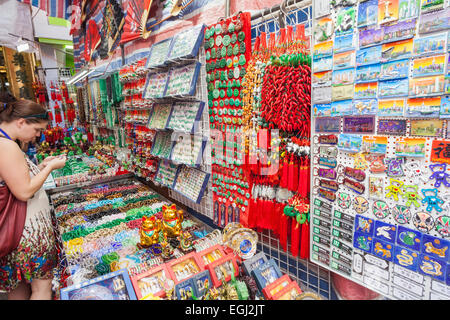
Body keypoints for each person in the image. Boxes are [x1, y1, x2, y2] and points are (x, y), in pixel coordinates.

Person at [0, 92, 66, 300]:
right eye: (37, 130)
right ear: (21, 122)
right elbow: (24, 191)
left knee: (18, 288)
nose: (38, 136)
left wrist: (40, 167)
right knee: (42, 288)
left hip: (18, 235)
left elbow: (15, 180)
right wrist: (51, 168)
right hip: (27, 236)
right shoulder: (7, 146)